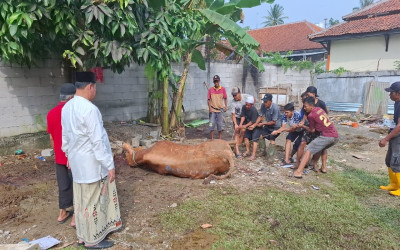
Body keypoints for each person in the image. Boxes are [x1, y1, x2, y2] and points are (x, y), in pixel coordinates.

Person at [61, 72, 121, 249]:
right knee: (93, 202)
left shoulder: (67, 107)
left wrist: (68, 156)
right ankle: (92, 240)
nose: (95, 91)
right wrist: (109, 165)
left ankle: (82, 235)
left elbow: (65, 137)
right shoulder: (90, 109)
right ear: (90, 87)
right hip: (92, 164)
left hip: (77, 164)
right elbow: (98, 141)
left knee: (81, 201)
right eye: (95, 87)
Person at [47, 83, 76, 227]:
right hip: (74, 157)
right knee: (77, 184)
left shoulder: (51, 113)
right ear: (71, 97)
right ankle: (75, 217)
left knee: (63, 185)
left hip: (59, 157)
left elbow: (52, 138)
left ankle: (62, 213)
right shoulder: (73, 112)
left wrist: (58, 154)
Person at [293, 97, 338, 178]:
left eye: (305, 106)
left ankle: (299, 171)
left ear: (311, 106)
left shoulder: (311, 115)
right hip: (335, 136)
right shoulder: (319, 109)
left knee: (308, 150)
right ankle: (323, 168)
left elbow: (312, 130)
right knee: (322, 147)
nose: (304, 108)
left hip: (326, 136)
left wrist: (303, 126)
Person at [379, 81, 400, 196]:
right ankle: (394, 184)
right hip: (395, 135)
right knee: (389, 160)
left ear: (398, 93)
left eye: (391, 92)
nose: (389, 95)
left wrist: (386, 139)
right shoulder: (397, 102)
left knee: (397, 161)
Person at [271, 102, 302, 167]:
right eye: (285, 112)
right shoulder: (284, 116)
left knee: (297, 144)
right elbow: (283, 126)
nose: (286, 114)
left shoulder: (297, 115)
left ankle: (291, 157)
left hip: (302, 130)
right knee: (288, 139)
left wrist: (282, 130)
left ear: (292, 111)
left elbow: (292, 129)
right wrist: (277, 131)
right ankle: (286, 159)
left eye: (287, 112)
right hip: (293, 129)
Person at [238, 96, 260, 160]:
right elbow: (243, 116)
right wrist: (241, 124)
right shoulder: (244, 107)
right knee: (246, 137)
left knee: (254, 139)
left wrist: (245, 126)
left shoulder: (254, 110)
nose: (247, 106)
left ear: (252, 105)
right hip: (248, 125)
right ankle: (248, 151)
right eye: (246, 104)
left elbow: (253, 121)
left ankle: (253, 155)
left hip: (255, 126)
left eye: (248, 105)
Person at [230, 87, 250, 158]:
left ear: (239, 93)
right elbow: (233, 115)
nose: (234, 97)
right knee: (237, 132)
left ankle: (237, 145)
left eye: (235, 95)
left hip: (244, 117)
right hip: (237, 118)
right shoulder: (232, 102)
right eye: (233, 95)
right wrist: (235, 124)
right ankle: (237, 151)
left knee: (243, 132)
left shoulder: (246, 97)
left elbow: (253, 100)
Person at [207, 75, 227, 140]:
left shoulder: (223, 89)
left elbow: (225, 98)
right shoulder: (210, 90)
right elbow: (208, 99)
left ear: (219, 81)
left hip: (220, 110)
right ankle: (212, 138)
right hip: (212, 110)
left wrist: (226, 106)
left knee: (220, 124)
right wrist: (209, 108)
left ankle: (220, 138)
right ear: (213, 82)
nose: (216, 83)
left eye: (217, 81)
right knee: (211, 123)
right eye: (215, 81)